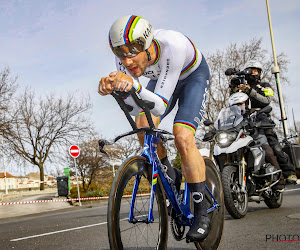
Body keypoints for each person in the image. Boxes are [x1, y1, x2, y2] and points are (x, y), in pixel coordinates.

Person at [98, 15, 210, 242]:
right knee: (142, 125)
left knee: (182, 136)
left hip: (192, 77)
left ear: (147, 45)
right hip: (162, 79)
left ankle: (201, 211)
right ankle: (171, 173)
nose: (126, 61)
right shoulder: (125, 61)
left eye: (131, 52)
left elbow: (159, 106)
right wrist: (115, 91)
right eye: (120, 53)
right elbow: (133, 108)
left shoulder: (173, 45)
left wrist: (133, 85)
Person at [231, 60, 297, 186]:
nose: (255, 73)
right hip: (244, 122)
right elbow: (233, 104)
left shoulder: (264, 85)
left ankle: (289, 172)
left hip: (262, 120)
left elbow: (266, 100)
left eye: (257, 71)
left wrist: (250, 91)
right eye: (252, 70)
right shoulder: (241, 87)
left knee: (274, 147)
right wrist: (234, 89)